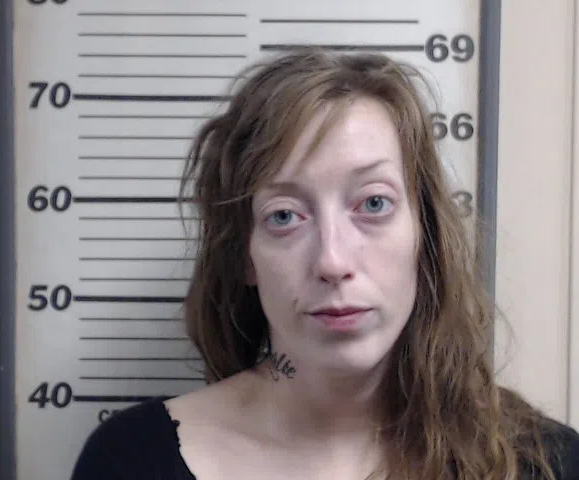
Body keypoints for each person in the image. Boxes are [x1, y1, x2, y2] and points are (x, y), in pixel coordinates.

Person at [70, 49, 579, 479]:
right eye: (284, 216)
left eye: (373, 203)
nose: (333, 261)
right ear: (245, 255)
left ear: (424, 233)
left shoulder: (545, 463)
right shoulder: (131, 461)